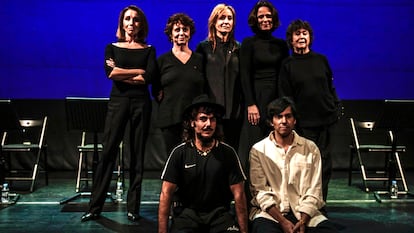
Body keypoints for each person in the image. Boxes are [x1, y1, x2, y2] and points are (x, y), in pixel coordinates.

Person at [81, 5, 157, 222]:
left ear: (141, 24)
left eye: (135, 20)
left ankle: (133, 208)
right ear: (121, 22)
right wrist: (138, 70)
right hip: (118, 103)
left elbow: (148, 78)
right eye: (127, 19)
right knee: (107, 154)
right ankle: (95, 208)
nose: (131, 23)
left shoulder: (149, 49)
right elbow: (111, 73)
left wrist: (126, 73)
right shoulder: (111, 48)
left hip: (141, 104)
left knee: (137, 156)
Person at [158, 94, 248, 233]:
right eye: (203, 119)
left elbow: (239, 194)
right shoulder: (179, 153)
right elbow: (166, 193)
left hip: (219, 215)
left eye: (212, 119)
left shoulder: (228, 153)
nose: (208, 124)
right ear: (192, 123)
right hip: (188, 214)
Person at [249, 97, 338, 233]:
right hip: (271, 215)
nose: (284, 121)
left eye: (288, 116)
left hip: (304, 214)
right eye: (279, 117)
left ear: (294, 120)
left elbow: (315, 190)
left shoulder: (310, 148)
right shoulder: (259, 150)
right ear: (271, 122)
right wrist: (283, 221)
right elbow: (260, 192)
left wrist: (302, 221)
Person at [278, 19, 341, 202]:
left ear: (310, 37)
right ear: (291, 39)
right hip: (304, 124)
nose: (301, 37)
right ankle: (304, 205)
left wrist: (336, 106)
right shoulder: (287, 64)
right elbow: (285, 96)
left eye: (304, 33)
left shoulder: (321, 59)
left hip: (326, 121)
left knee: (325, 165)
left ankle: (320, 204)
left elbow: (330, 85)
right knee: (305, 167)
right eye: (297, 34)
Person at [239, 0, 289, 169]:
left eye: (268, 16)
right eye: (261, 16)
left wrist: (283, 105)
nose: (265, 19)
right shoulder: (248, 43)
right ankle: (249, 192)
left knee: (275, 148)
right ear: (255, 19)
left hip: (275, 99)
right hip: (256, 100)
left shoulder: (281, 45)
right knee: (252, 147)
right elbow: (244, 75)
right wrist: (251, 104)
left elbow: (284, 75)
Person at [152, 13, 205, 158]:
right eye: (177, 29)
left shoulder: (200, 60)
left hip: (195, 120)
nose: (181, 33)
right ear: (170, 34)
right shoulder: (162, 61)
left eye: (185, 29)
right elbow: (156, 90)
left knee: (195, 159)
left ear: (190, 33)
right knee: (174, 161)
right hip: (170, 119)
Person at [195, 3, 243, 150]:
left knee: (232, 148)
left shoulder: (238, 48)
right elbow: (198, 78)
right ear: (214, 22)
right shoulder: (203, 47)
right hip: (212, 112)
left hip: (235, 111)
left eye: (229, 18)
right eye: (222, 18)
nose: (226, 22)